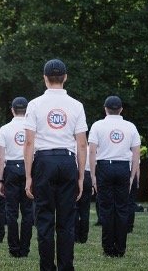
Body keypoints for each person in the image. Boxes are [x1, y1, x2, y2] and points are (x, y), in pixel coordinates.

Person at [24, 59, 88, 270]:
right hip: (68, 161)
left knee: (44, 219)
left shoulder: (34, 104)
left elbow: (30, 142)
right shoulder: (77, 105)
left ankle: (46, 267)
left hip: (43, 162)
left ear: (44, 78)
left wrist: (28, 176)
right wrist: (80, 176)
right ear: (65, 77)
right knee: (66, 221)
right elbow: (81, 144)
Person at [89, 95, 140, 258]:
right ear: (121, 109)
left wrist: (93, 175)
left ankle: (108, 248)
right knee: (122, 208)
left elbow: (92, 151)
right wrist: (132, 176)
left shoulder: (97, 126)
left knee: (106, 208)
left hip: (104, 167)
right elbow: (136, 154)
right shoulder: (130, 126)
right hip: (123, 167)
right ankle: (120, 248)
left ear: (105, 108)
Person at [0, 96, 33, 258]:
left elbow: (0, 157)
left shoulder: (4, 129)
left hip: (11, 168)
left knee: (11, 212)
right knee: (27, 211)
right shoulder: (33, 127)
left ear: (12, 110)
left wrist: (0, 180)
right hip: (28, 168)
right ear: (27, 111)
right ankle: (24, 249)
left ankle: (13, 248)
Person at [75, 145, 93, 243]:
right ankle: (83, 237)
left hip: (75, 174)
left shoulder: (72, 145)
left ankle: (75, 236)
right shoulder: (89, 148)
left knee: (74, 208)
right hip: (87, 176)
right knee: (85, 210)